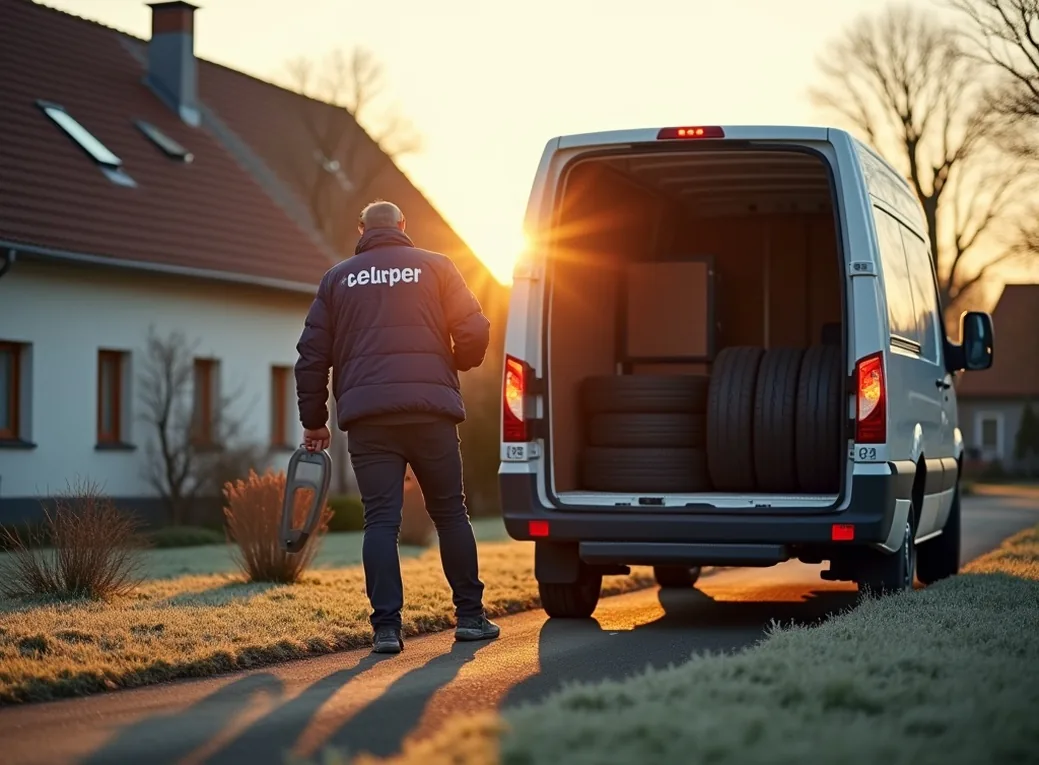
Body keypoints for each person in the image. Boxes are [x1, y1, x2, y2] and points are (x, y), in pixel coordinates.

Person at [294, 199, 499, 654]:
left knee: (381, 521)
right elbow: (475, 327)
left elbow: (311, 356)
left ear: (361, 227)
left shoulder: (338, 278)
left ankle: (386, 629)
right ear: (403, 226)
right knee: (450, 514)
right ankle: (469, 617)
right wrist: (456, 364)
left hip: (369, 420)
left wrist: (315, 422)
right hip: (431, 412)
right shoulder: (437, 267)